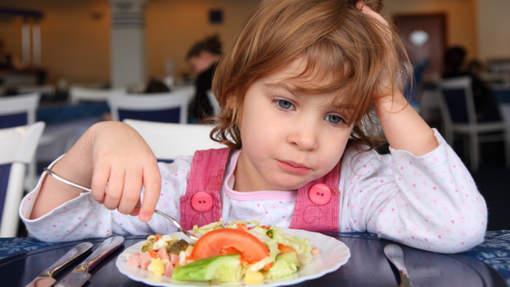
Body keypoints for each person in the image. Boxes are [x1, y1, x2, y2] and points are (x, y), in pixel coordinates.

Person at [21, 0, 486, 254]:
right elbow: (56, 229)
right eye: (285, 102)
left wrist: (389, 97)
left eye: (335, 116)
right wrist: (100, 139)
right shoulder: (180, 189)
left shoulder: (357, 187)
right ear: (235, 95)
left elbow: (456, 226)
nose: (306, 138)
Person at [442, 45, 501, 122]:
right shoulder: (468, 76)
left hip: (456, 119)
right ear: (463, 60)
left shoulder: (444, 77)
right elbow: (486, 89)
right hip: (476, 117)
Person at [186, 35, 222, 122]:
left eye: (193, 67)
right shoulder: (226, 67)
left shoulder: (204, 77)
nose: (194, 72)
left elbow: (202, 109)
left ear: (204, 55)